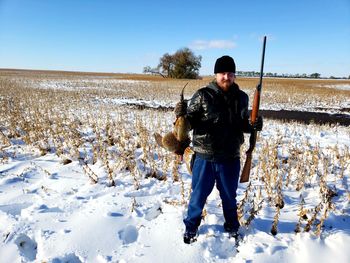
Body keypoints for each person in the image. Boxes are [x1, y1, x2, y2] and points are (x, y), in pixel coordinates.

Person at [174, 55, 263, 244]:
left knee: (230, 197)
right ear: (216, 74)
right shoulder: (202, 95)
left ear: (234, 75)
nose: (226, 77)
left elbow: (242, 124)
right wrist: (181, 115)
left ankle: (232, 226)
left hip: (230, 158)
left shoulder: (241, 97)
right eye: (223, 73)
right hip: (204, 158)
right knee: (197, 197)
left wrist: (253, 125)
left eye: (230, 73)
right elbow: (188, 124)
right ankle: (191, 227)